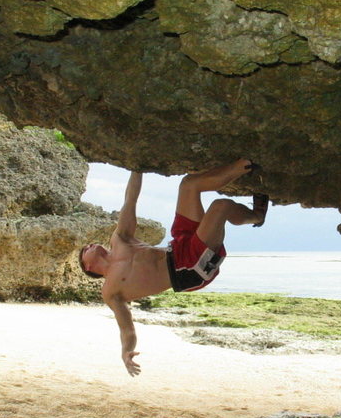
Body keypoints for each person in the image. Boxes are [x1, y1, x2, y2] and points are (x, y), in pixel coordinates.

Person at [79, 158, 269, 376]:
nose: (91, 244)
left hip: (178, 245)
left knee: (188, 185)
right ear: (88, 266)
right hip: (188, 270)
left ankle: (247, 165)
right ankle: (256, 214)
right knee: (221, 207)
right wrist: (127, 351)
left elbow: (130, 200)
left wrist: (136, 166)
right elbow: (127, 328)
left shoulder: (120, 239)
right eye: (86, 249)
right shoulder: (111, 291)